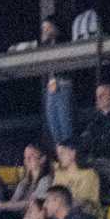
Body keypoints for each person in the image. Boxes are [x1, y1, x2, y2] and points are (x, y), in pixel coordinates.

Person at [37, 16, 77, 146]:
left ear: (55, 27)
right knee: (53, 124)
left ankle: (70, 152)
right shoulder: (45, 45)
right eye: (44, 28)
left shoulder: (63, 41)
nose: (46, 31)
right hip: (51, 86)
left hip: (63, 84)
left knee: (65, 124)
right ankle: (60, 153)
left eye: (48, 27)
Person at [75, 82, 110, 175]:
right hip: (97, 163)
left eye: (103, 94)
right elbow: (83, 142)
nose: (99, 98)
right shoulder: (94, 121)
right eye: (97, 95)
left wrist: (92, 145)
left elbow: (108, 144)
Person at [51, 140, 102, 219]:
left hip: (85, 216)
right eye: (58, 154)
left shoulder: (89, 174)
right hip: (62, 214)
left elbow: (82, 201)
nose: (59, 158)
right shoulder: (59, 174)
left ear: (72, 153)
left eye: (62, 153)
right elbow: (52, 196)